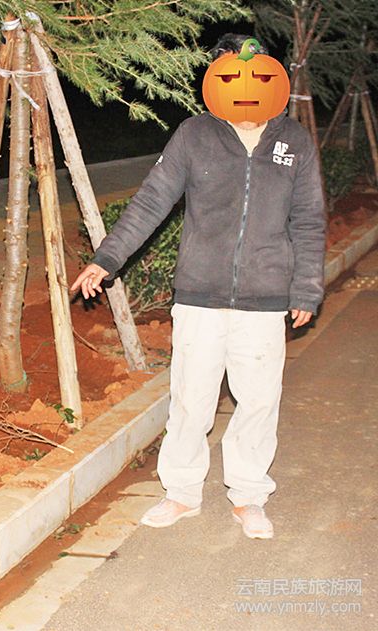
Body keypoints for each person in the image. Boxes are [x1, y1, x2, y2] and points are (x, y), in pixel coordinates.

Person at [70, 34, 326, 540]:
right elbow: (151, 202)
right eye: (230, 77)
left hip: (265, 297)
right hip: (200, 296)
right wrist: (107, 259)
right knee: (191, 400)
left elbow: (309, 219)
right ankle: (182, 492)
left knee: (258, 402)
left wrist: (306, 288)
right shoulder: (194, 135)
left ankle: (249, 495)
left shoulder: (293, 141)